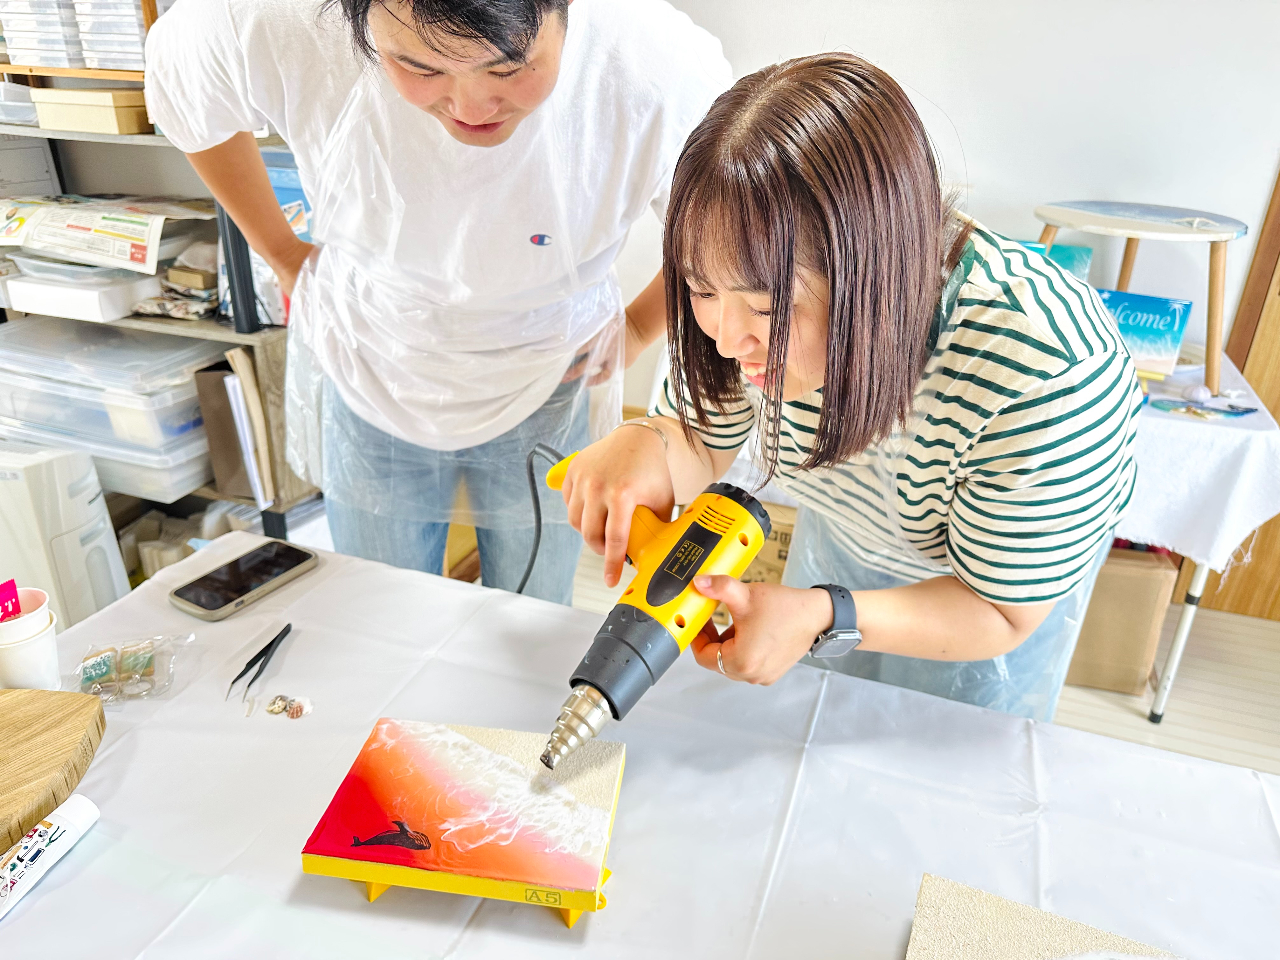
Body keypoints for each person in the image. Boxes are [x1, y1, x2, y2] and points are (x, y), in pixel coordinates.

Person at [560, 53, 1142, 721]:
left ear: (877, 279)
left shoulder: (1047, 372)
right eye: (699, 289)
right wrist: (650, 441)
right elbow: (700, 440)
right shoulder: (740, 308)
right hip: (844, 534)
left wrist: (825, 611)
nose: (726, 338)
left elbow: (999, 612)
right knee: (825, 723)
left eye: (768, 307)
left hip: (985, 592)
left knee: (946, 768)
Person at [144, 0, 731, 602]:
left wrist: (636, 328)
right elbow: (187, 92)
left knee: (529, 616)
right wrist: (281, 253)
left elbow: (727, 231)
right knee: (386, 608)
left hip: (552, 369)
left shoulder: (654, 61)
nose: (471, 107)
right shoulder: (276, 18)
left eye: (507, 69)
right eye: (420, 67)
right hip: (373, 357)